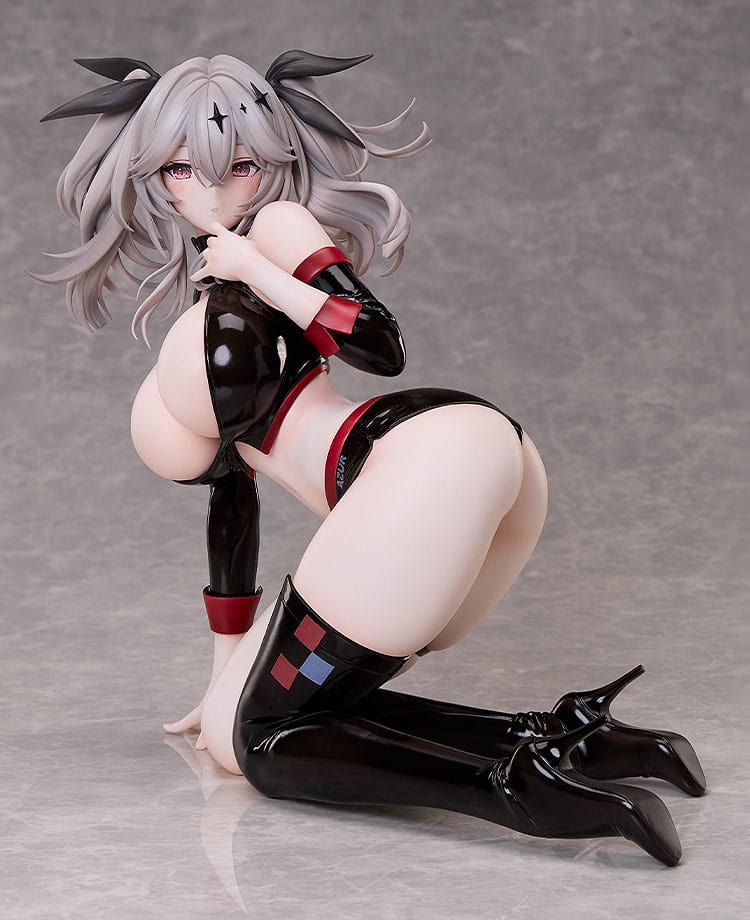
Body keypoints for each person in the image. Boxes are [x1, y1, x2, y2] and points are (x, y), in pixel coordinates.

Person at [35, 52, 705, 866]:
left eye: (239, 166)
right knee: (254, 716)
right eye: (181, 170)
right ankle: (568, 739)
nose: (210, 192)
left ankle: (513, 787)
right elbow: (232, 496)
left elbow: (381, 344)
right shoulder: (212, 282)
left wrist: (261, 272)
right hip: (444, 468)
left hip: (417, 463)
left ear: (273, 160)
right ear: (153, 176)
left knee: (259, 740)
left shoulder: (276, 231)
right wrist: (221, 670)